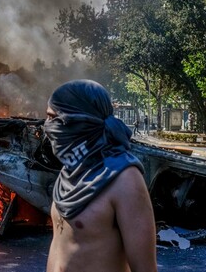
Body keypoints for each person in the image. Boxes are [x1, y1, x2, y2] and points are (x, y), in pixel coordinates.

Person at [44, 80, 157, 272]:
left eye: (54, 118)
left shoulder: (125, 179)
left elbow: (145, 269)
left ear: (79, 121)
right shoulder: (70, 170)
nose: (47, 126)